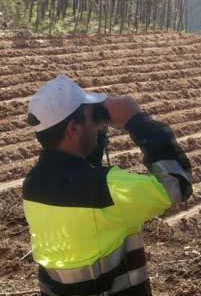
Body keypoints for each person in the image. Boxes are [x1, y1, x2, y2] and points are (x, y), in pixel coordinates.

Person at [22, 74, 192, 296]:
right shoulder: (109, 189)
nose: (99, 126)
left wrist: (91, 140)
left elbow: (77, 186)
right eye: (93, 119)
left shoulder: (32, 186)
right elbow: (177, 183)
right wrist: (136, 121)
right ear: (73, 128)